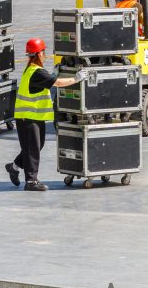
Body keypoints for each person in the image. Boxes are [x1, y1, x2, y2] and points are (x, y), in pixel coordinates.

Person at [5, 38, 87, 191]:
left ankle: (14, 167)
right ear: (39, 53)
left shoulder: (32, 70)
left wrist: (53, 74)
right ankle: (31, 182)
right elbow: (58, 84)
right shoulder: (37, 72)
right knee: (32, 149)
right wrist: (77, 78)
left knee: (36, 146)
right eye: (44, 52)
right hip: (28, 118)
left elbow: (46, 81)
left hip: (33, 116)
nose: (45, 55)